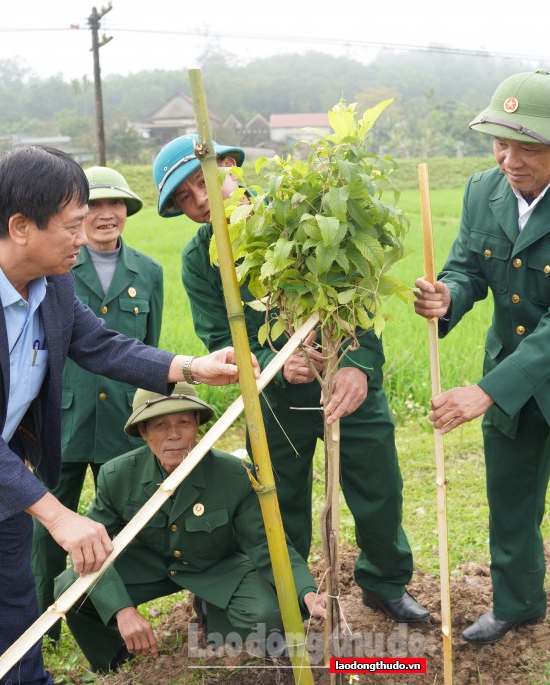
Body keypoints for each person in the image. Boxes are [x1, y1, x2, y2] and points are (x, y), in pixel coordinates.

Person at [0, 144, 248, 685]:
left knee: (13, 618)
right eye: (72, 225)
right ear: (21, 226)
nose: (85, 238)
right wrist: (58, 515)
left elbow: (102, 344)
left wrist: (192, 366)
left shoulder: (54, 282)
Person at [152, 134, 430, 625]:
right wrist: (272, 360)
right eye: (185, 198)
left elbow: (362, 297)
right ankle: (298, 592)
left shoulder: (302, 217)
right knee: (282, 501)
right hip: (276, 399)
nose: (200, 201)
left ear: (232, 167)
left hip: (348, 385)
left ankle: (384, 583)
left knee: (379, 488)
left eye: (203, 182)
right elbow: (220, 335)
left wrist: (357, 365)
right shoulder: (201, 259)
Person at [413, 70, 550, 685]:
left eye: (526, 145)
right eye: (500, 143)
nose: (509, 159)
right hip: (509, 365)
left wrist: (485, 392)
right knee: (510, 496)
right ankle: (516, 604)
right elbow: (465, 269)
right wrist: (447, 299)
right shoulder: (484, 190)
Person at [55, 383, 327, 673]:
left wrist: (307, 592)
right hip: (150, 566)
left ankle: (212, 611)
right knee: (71, 587)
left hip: (216, 566)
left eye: (183, 422)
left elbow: (267, 545)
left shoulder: (233, 474)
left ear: (197, 424)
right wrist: (123, 611)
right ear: (144, 432)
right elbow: (93, 548)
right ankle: (117, 659)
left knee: (267, 617)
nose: (174, 434)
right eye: (160, 425)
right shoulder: (117, 475)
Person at [30, 166, 164, 640]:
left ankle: (114, 614)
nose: (108, 215)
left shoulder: (149, 271)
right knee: (50, 526)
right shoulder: (56, 266)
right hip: (64, 421)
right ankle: (44, 622)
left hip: (122, 422)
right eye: (97, 207)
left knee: (124, 524)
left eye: (117, 205)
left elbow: (148, 349)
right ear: (79, 215)